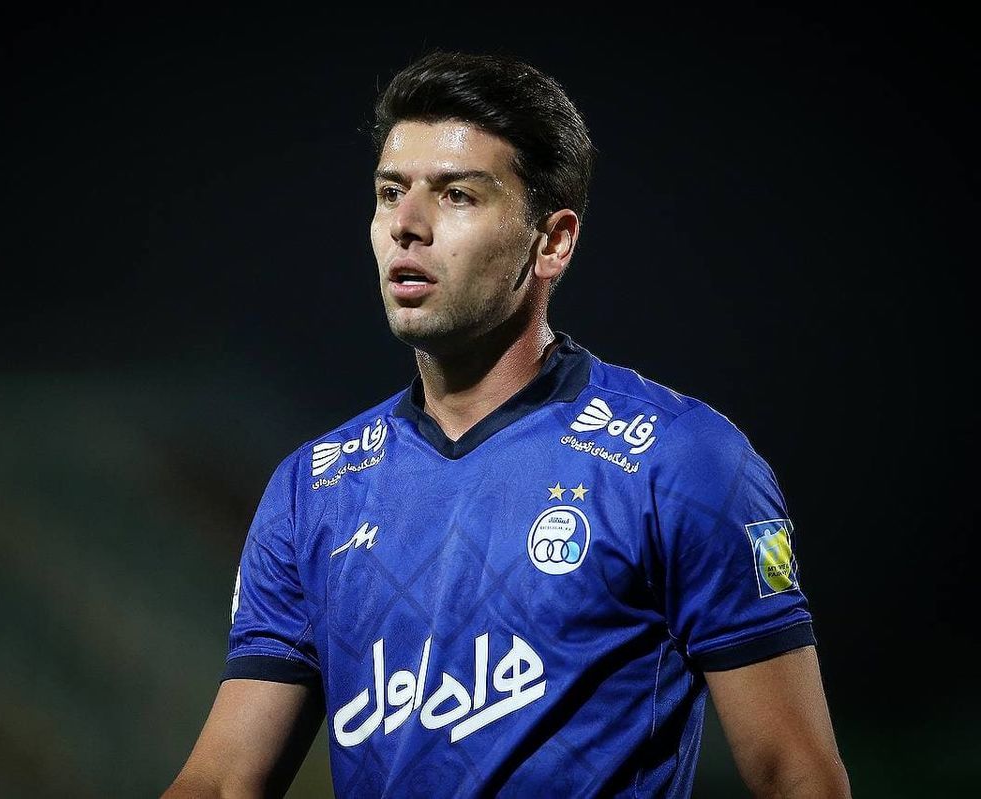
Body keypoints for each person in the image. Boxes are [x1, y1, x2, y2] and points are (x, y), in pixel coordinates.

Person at [163, 49, 851, 798]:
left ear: (551, 241)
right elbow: (223, 780)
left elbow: (797, 776)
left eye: (456, 195)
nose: (407, 226)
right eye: (390, 193)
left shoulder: (683, 461)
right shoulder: (312, 489)